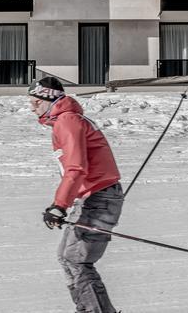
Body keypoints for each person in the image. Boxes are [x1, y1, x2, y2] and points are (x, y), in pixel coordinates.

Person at [29, 75, 124, 313]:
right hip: (94, 196)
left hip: (99, 197)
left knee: (77, 259)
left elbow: (76, 167)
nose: (32, 106)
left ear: (49, 99)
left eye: (36, 101)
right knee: (66, 256)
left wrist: (59, 205)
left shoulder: (67, 121)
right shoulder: (66, 120)